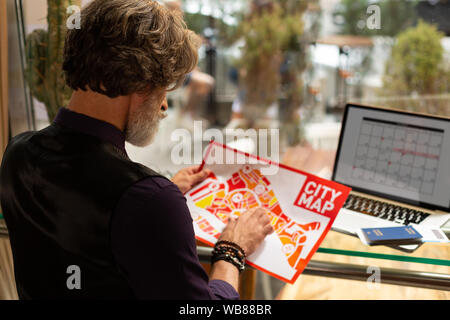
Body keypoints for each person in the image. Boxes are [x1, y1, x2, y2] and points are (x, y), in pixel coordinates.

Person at [0, 0, 273, 299]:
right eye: (164, 90)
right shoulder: (148, 201)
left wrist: (155, 193)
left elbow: (83, 227)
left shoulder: (17, 154)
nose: (165, 106)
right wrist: (231, 252)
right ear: (141, 83)